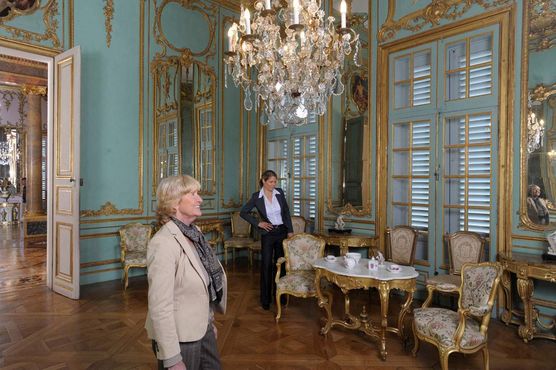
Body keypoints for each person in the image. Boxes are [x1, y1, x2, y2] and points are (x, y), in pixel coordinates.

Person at [145, 175, 227, 370]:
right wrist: (172, 359)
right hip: (180, 337)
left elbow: (204, 283)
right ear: (174, 203)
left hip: (202, 327)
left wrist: (208, 322)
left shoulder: (194, 232)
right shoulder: (163, 243)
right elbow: (159, 306)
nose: (200, 199)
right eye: (193, 194)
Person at [240, 170, 293, 310]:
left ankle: (280, 295)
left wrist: (290, 231)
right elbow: (243, 212)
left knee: (280, 264)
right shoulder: (256, 197)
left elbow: (286, 212)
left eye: (275, 182)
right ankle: (265, 299)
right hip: (268, 234)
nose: (274, 184)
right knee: (266, 265)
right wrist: (258, 223)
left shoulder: (279, 193)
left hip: (281, 231)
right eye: (271, 182)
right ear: (263, 181)